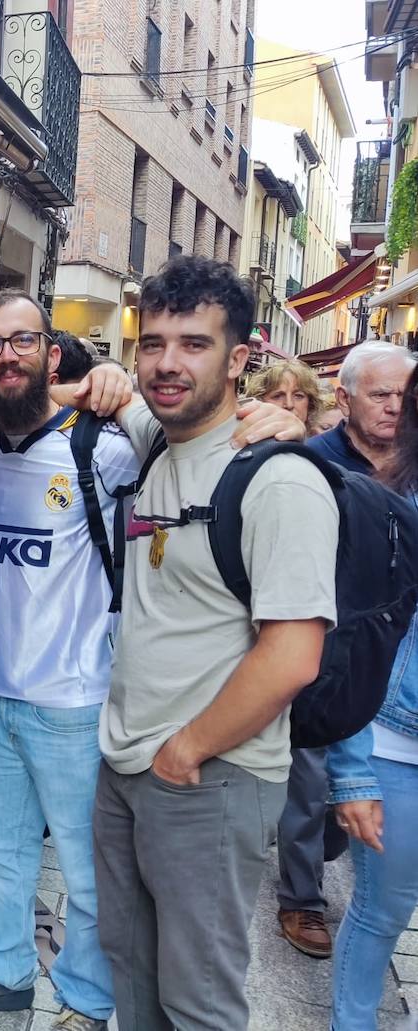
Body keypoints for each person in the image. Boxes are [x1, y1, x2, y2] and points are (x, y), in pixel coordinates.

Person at [95, 255, 339, 1030]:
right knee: (131, 978)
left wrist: (186, 748)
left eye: (194, 344)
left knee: (198, 1002)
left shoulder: (277, 480)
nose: (168, 363)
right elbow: (82, 389)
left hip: (209, 777)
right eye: (154, 341)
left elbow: (294, 654)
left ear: (239, 359)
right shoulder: (160, 440)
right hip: (129, 767)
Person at [0, 292, 138, 1030]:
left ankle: (87, 998)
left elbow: (180, 439)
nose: (6, 354)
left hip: (74, 701)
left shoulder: (100, 449)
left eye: (22, 340)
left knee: (87, 869)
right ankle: (7, 970)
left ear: (51, 352)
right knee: (0, 854)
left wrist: (116, 383)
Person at [242, 356, 346, 958]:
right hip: (251, 637)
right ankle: (300, 896)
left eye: (297, 397)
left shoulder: (325, 463)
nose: (285, 404)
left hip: (317, 640)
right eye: (274, 393)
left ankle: (303, 889)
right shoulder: (239, 455)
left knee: (310, 774)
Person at [327, 362, 418, 1029]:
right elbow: (353, 637)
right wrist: (351, 770)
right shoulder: (392, 504)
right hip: (393, 741)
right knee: (383, 909)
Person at [312, 340, 416, 475]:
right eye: (380, 395)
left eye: (404, 395)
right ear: (344, 399)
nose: (395, 408)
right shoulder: (311, 459)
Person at [244, 359, 324, 434]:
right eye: (277, 396)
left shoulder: (317, 447)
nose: (289, 405)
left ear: (310, 403)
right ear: (260, 401)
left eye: (298, 396)